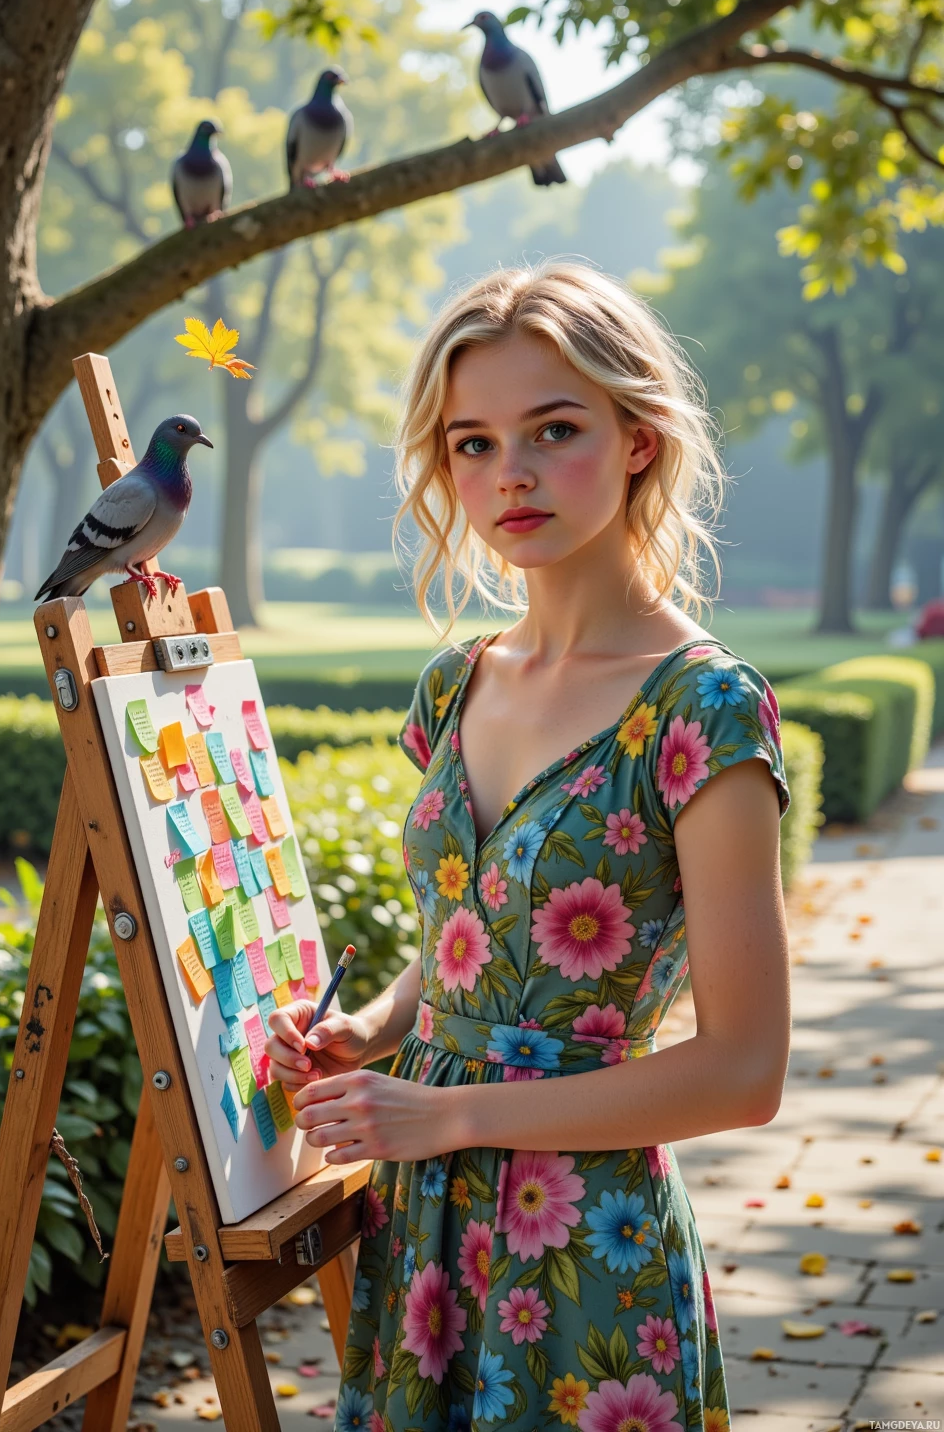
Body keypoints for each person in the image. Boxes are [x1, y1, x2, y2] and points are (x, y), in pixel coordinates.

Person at [265, 260, 791, 1431]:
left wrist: (442, 1114)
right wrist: (381, 1027)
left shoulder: (702, 710)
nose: (511, 475)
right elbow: (470, 932)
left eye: (554, 430)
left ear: (639, 436)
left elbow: (746, 1072)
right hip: (424, 1239)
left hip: (584, 1251)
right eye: (472, 443)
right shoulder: (454, 684)